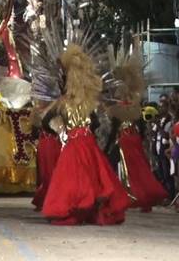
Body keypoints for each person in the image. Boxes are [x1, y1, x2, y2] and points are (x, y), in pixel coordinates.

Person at [40, 45, 129, 226]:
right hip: (88, 143)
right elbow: (95, 123)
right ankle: (90, 209)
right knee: (92, 177)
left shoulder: (62, 103)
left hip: (73, 143)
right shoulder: (88, 103)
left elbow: (45, 121)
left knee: (73, 179)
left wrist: (60, 132)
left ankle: (76, 207)